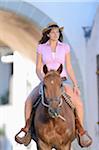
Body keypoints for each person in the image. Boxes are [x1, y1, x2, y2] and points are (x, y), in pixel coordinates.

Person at [15, 22, 92, 147]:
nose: (56, 34)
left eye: (57, 32)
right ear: (48, 34)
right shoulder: (41, 47)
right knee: (28, 101)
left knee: (78, 103)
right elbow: (38, 68)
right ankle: (27, 129)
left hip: (61, 81)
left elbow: (69, 66)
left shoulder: (65, 47)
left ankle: (80, 131)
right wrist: (43, 80)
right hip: (46, 81)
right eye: (53, 32)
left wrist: (75, 84)